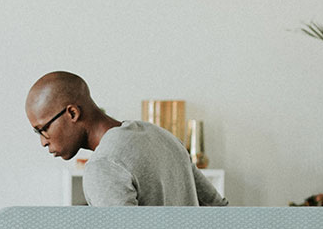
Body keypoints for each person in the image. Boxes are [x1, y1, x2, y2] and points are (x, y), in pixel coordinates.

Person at [26, 71, 228, 207]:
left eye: (42, 129)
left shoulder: (104, 165)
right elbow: (219, 209)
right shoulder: (162, 136)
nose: (43, 141)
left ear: (72, 113)